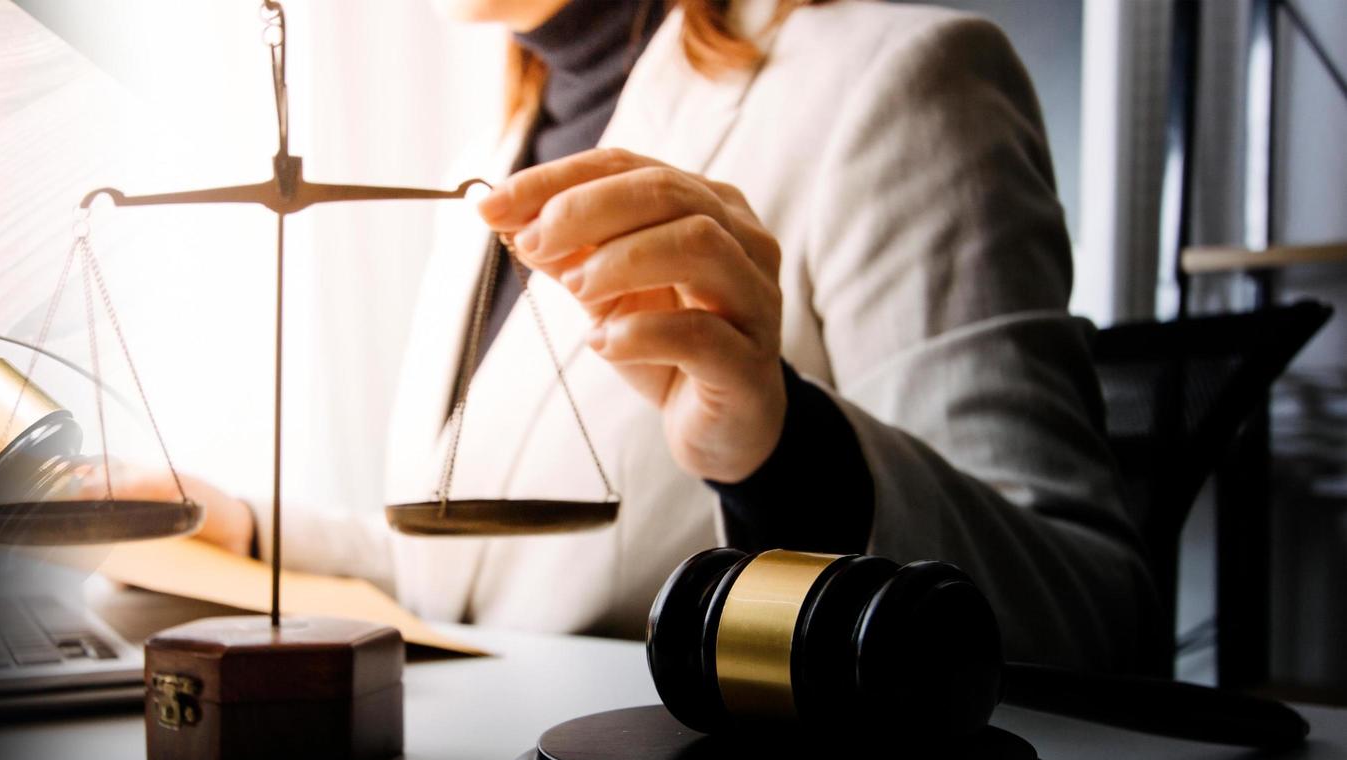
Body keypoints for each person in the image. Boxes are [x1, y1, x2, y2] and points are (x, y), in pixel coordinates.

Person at [182, 0, 1154, 669]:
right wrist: (245, 529)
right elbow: (465, 570)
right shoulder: (488, 161)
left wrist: (783, 456)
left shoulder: (897, 81)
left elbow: (1094, 618)